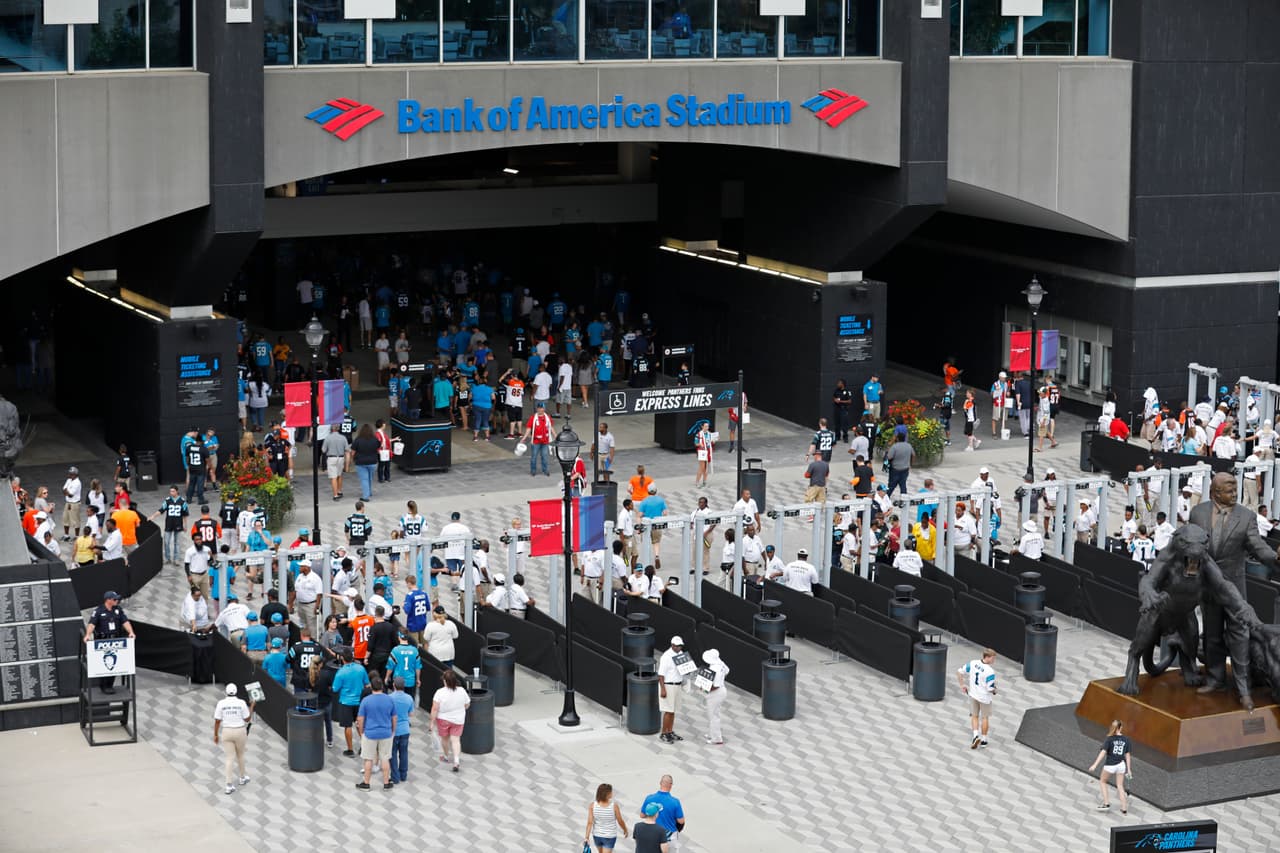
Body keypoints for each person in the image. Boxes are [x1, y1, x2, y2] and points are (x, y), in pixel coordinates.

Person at [1188, 472, 1280, 706]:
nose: (1234, 494)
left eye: (1235, 490)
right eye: (1229, 491)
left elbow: (1258, 547)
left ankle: (1244, 687)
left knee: (1239, 635)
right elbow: (1191, 545)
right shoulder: (1198, 513)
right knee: (1212, 634)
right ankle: (1216, 679)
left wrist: (1275, 557)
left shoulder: (1246, 516)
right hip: (1208, 586)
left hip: (1235, 589)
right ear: (1215, 493)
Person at [84, 590, 135, 693]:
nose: (117, 601)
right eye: (115, 599)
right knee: (104, 663)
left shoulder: (117, 610)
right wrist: (88, 635)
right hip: (103, 640)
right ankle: (103, 685)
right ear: (108, 600)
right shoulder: (98, 611)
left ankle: (110, 685)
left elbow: (125, 621)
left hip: (115, 640)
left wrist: (131, 632)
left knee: (114, 664)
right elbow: (92, 624)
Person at [355, 673, 397, 791]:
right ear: (382, 687)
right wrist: (393, 730)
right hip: (386, 733)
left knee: (368, 759)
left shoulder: (366, 701)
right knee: (385, 758)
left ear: (371, 687)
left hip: (370, 733)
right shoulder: (389, 700)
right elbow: (394, 717)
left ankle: (366, 783)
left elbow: (360, 718)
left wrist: (362, 731)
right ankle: (386, 783)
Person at [212, 683, 254, 795]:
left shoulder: (221, 703)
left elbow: (217, 721)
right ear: (236, 692)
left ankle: (228, 785)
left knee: (229, 758)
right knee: (240, 755)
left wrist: (215, 734)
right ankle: (242, 777)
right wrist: (252, 706)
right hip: (240, 731)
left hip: (227, 732)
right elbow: (247, 719)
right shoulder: (241, 703)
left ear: (226, 692)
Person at [1087, 720, 1133, 814]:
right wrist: (1129, 769)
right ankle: (1124, 809)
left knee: (1103, 781)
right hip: (1121, 765)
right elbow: (1127, 755)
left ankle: (1106, 803)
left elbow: (1103, 753)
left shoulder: (1109, 739)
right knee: (1120, 786)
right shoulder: (1126, 739)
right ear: (1120, 728)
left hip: (1110, 765)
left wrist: (1095, 765)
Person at [430, 669, 471, 772]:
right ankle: (456, 761)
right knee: (456, 740)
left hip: (443, 720)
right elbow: (467, 704)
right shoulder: (461, 691)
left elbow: (435, 708)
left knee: (445, 739)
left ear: (445, 681)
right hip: (458, 719)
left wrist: (431, 722)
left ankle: (446, 756)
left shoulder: (440, 692)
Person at [333, 648, 371, 757]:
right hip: (359, 702)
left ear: (343, 659)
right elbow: (367, 684)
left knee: (348, 726)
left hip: (345, 702)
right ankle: (364, 746)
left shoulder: (341, 672)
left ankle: (350, 750)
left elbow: (335, 688)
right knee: (359, 724)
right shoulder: (360, 669)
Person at [957, 648, 997, 749]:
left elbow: (959, 671)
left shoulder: (973, 663)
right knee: (985, 718)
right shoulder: (990, 671)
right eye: (992, 658)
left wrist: (962, 685)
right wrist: (995, 690)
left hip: (973, 695)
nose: (993, 661)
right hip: (984, 698)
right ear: (987, 657)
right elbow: (989, 688)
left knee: (974, 716)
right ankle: (983, 739)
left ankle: (975, 735)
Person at [640, 775, 686, 851]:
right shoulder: (675, 802)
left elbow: (642, 815)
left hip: (652, 836)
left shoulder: (649, 798)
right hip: (669, 838)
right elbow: (681, 821)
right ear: (671, 785)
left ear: (660, 783)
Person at [656, 636, 687, 743]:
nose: (679, 648)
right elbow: (660, 675)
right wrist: (663, 689)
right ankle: (664, 733)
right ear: (672, 645)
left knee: (673, 711)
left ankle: (670, 731)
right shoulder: (666, 657)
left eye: (680, 646)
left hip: (677, 685)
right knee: (668, 711)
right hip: (668, 686)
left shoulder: (681, 654)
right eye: (677, 646)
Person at [584, 783, 630, 853]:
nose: (612, 793)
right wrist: (625, 829)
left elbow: (590, 822)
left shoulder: (593, 805)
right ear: (607, 794)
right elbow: (620, 821)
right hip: (609, 836)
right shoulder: (614, 806)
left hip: (597, 836)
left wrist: (586, 837)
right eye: (611, 792)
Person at [388, 676, 415, 784]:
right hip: (405, 729)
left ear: (394, 685)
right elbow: (411, 713)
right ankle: (403, 775)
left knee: (392, 753)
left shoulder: (389, 698)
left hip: (393, 730)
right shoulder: (409, 698)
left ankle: (395, 777)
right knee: (404, 753)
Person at [701, 648, 730, 745]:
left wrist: (705, 688)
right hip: (721, 690)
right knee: (714, 714)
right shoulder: (720, 663)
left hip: (716, 693)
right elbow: (727, 671)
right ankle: (712, 734)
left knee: (713, 716)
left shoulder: (715, 668)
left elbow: (715, 686)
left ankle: (716, 739)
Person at [347, 424, 382, 501]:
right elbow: (379, 447)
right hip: (373, 461)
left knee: (364, 479)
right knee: (369, 478)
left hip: (360, 462)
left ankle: (365, 496)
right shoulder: (375, 439)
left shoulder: (358, 440)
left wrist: (353, 459)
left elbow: (353, 452)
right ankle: (369, 492)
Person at [521, 402, 555, 476]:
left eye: (541, 408)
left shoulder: (547, 417)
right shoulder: (533, 418)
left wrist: (555, 435)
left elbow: (551, 427)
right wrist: (524, 438)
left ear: (544, 408)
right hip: (536, 441)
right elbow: (529, 428)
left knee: (545, 456)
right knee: (534, 457)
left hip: (545, 441)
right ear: (537, 409)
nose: (540, 409)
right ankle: (533, 470)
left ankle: (545, 470)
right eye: (539, 408)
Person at [387, 633, 422, 699]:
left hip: (397, 681)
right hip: (410, 681)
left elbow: (390, 666)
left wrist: (387, 677)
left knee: (397, 702)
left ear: (399, 637)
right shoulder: (414, 650)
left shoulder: (395, 650)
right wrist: (418, 679)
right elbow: (418, 667)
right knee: (409, 702)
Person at [321, 427, 349, 501]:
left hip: (331, 458)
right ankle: (339, 491)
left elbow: (323, 450)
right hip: (341, 458)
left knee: (333, 477)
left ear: (331, 429)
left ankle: (335, 495)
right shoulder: (343, 438)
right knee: (339, 475)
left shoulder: (327, 438)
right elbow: (347, 449)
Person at [884, 432, 914, 497]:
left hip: (895, 469)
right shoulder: (909, 445)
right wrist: (911, 464)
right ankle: (904, 500)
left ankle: (886, 498)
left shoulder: (895, 447)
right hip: (905, 468)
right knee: (903, 485)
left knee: (891, 485)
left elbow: (889, 457)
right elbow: (913, 455)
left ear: (897, 439)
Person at [693, 420, 714, 488]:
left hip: (708, 451)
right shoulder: (698, 434)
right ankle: (697, 482)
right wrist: (700, 444)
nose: (707, 428)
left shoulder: (709, 433)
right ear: (702, 427)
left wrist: (714, 440)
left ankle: (704, 481)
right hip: (702, 452)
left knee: (706, 467)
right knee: (701, 467)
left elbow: (712, 443)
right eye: (705, 426)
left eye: (707, 426)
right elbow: (696, 443)